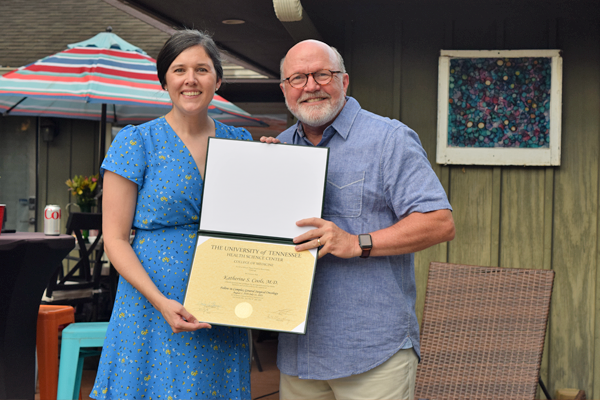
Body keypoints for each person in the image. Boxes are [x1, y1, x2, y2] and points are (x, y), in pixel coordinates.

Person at [261, 40, 455, 399]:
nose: (311, 86)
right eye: (298, 78)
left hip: (372, 352)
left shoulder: (389, 139)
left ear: (344, 81)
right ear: (285, 89)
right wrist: (260, 176)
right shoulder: (279, 148)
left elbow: (439, 222)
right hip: (298, 353)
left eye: (323, 74)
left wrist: (356, 242)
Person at [91, 30, 252, 400]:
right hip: (150, 303)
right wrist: (161, 301)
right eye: (179, 70)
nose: (190, 79)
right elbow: (114, 240)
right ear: (165, 80)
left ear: (218, 80)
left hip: (220, 303)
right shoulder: (136, 142)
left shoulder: (241, 143)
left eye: (202, 69)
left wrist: (275, 163)